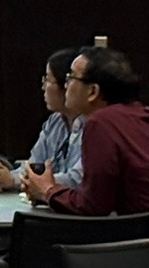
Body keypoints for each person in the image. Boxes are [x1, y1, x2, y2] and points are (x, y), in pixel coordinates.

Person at [23, 47, 149, 214]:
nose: (65, 85)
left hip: (132, 228)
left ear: (92, 91)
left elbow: (92, 205)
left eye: (71, 77)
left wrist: (47, 191)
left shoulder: (101, 122)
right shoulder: (139, 114)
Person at [0, 47, 85, 193]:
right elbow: (34, 165)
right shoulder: (54, 122)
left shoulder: (95, 126)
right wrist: (6, 176)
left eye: (47, 79)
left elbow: (77, 179)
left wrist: (14, 180)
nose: (43, 87)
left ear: (66, 85)